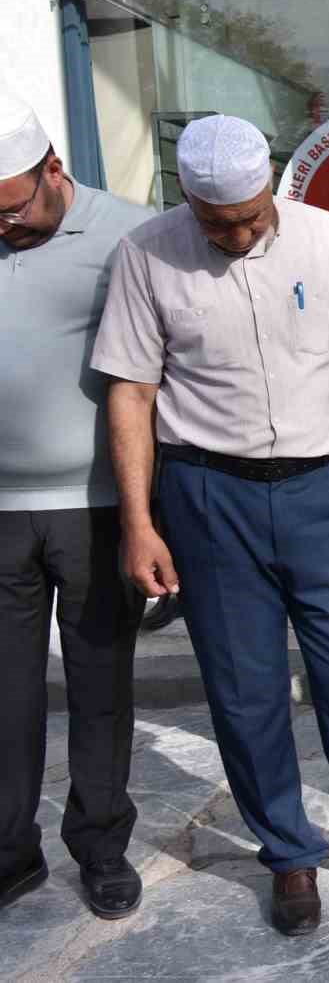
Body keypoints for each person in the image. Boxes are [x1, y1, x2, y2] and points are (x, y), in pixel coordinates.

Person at [92, 115, 329, 936]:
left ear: (272, 185)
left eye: (253, 214)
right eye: (221, 222)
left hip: (322, 491)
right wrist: (140, 522)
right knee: (245, 690)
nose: (242, 232)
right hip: (208, 497)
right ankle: (288, 853)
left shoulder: (323, 238)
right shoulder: (149, 254)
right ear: (187, 200)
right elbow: (133, 394)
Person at [0, 89, 152, 917]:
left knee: (99, 684)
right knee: (6, 693)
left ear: (53, 167)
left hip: (95, 508)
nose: (3, 228)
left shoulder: (129, 233)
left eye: (13, 209)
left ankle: (100, 845)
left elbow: (160, 380)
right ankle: (10, 852)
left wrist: (153, 515)